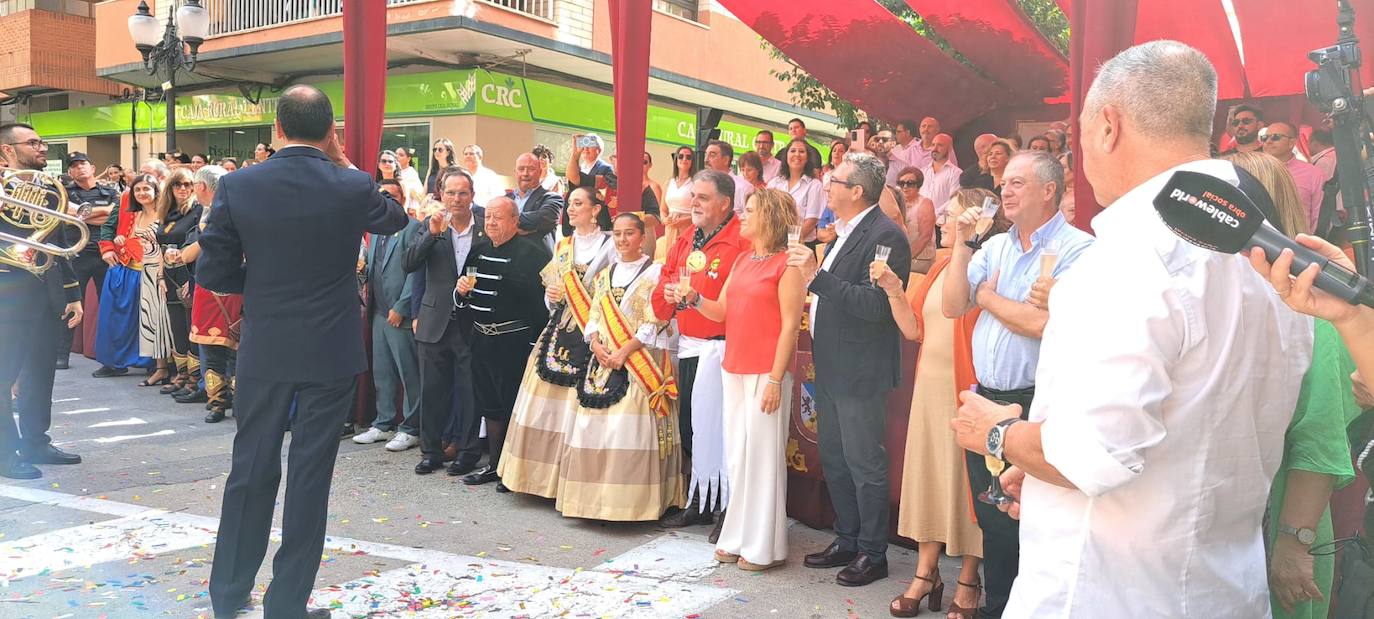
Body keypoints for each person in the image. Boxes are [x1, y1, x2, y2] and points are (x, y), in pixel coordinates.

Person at [951, 41, 1314, 618]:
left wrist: (998, 431)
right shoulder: (1272, 258)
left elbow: (1092, 457)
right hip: (1219, 587)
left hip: (1107, 589)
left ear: (1108, 126)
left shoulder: (1130, 256)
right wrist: (1041, 466)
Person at [199, 84, 407, 619]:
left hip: (266, 345)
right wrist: (344, 163)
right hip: (330, 349)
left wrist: (264, 282)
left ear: (277, 130)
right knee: (310, 477)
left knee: (250, 469)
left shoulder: (239, 184)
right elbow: (394, 220)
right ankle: (286, 605)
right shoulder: (352, 183)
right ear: (331, 131)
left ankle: (227, 597)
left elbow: (215, 272)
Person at [941, 150, 1094, 617]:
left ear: (1050, 190)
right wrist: (963, 244)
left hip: (1036, 405)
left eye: (1017, 183)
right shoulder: (995, 247)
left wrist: (986, 295)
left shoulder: (1078, 248)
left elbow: (1042, 324)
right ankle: (998, 607)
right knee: (994, 519)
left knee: (1035, 516)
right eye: (1004, 183)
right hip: (987, 398)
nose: (1004, 190)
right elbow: (952, 305)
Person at [879, 188, 1005, 618]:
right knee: (931, 476)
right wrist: (895, 290)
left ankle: (969, 577)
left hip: (968, 388)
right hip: (929, 389)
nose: (942, 222)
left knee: (967, 482)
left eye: (950, 215)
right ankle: (926, 571)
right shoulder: (937, 267)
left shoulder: (990, 266)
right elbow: (914, 330)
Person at [788, 152, 912, 587]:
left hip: (860, 371)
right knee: (836, 459)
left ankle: (873, 552)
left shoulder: (886, 236)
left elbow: (877, 306)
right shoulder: (842, 232)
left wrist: (816, 277)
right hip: (833, 366)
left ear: (857, 191)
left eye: (835, 179)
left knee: (864, 463)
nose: (827, 182)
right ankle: (847, 537)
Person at [686, 189, 802, 570]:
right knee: (738, 456)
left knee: (764, 458)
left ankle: (764, 546)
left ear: (768, 217)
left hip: (765, 371)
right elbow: (721, 312)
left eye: (750, 210)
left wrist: (774, 379)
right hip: (734, 367)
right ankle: (737, 534)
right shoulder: (741, 260)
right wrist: (693, 298)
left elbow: (790, 328)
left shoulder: (788, 266)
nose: (743, 215)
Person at [556, 212, 683, 520]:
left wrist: (626, 351)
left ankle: (630, 504)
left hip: (640, 360)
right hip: (604, 359)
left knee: (630, 429)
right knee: (595, 428)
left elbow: (659, 318)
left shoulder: (655, 272)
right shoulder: (605, 274)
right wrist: (596, 344)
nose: (623, 239)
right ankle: (592, 500)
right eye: (618, 234)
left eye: (629, 234)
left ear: (642, 238)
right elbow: (596, 313)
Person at [653, 169, 751, 538]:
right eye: (693, 196)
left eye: (703, 198)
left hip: (724, 350)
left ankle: (728, 506)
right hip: (690, 344)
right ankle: (701, 500)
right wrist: (666, 294)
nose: (693, 203)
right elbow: (667, 274)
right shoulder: (686, 237)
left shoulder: (741, 240)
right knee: (693, 428)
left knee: (725, 433)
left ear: (725, 204)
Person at [499, 186, 613, 498]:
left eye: (579, 204)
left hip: (596, 330)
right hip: (560, 329)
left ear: (595, 209)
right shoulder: (564, 245)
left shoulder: (610, 245)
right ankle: (537, 477)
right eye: (570, 204)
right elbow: (554, 290)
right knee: (544, 405)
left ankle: (575, 481)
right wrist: (551, 298)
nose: (572, 209)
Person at [0, 122, 84, 479]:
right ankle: (5, 453)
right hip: (6, 290)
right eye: (33, 143)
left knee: (40, 373)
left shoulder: (51, 188)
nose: (42, 148)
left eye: (42, 142)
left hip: (44, 289)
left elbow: (61, 241)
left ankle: (36, 440)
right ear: (7, 150)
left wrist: (73, 294)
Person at [453, 197, 552, 491]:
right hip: (481, 340)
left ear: (514, 221)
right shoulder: (479, 250)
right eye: (488, 217)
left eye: (498, 218)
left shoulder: (534, 254)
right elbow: (463, 295)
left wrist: (535, 343)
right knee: (491, 406)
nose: (491, 223)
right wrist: (460, 294)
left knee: (513, 406)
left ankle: (513, 471)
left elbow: (542, 306)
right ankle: (494, 466)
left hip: (515, 342)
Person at [404, 168, 487, 476]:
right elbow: (409, 264)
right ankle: (431, 451)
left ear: (472, 196)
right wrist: (432, 234)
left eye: (462, 193)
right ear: (441, 195)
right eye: (450, 193)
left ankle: (467, 451)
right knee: (432, 391)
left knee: (469, 391)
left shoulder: (484, 225)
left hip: (473, 321)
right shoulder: (431, 225)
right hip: (434, 318)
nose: (456, 199)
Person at [349, 180, 425, 449]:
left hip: (398, 313)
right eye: (382, 195)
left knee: (408, 373)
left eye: (392, 195)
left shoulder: (413, 227)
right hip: (378, 311)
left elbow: (416, 272)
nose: (387, 200)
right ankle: (383, 423)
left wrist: (402, 307)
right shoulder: (377, 230)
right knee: (382, 372)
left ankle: (410, 427)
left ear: (402, 198)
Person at [167, 165, 240, 423]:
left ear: (201, 187)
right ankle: (218, 402)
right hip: (213, 286)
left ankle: (229, 402)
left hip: (224, 287)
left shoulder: (224, 212)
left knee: (228, 351)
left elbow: (194, 250)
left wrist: (183, 254)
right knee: (214, 350)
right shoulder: (208, 210)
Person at [58, 152, 120, 370]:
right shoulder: (64, 193)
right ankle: (61, 355)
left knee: (110, 305)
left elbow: (114, 216)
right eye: (74, 166)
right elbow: (67, 216)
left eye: (83, 164)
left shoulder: (110, 192)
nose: (79, 168)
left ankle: (111, 359)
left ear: (93, 168)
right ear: (69, 172)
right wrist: (102, 211)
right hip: (77, 253)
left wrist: (84, 213)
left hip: (105, 253)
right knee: (72, 303)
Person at [94, 174, 153, 378]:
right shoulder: (125, 199)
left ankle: (153, 363)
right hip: (124, 265)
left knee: (150, 320)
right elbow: (108, 227)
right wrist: (108, 248)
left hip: (152, 271)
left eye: (147, 187)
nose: (142, 192)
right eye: (138, 188)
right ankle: (114, 362)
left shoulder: (165, 205)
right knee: (115, 318)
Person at [154, 168, 205, 403]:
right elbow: (162, 249)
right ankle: (182, 374)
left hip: (188, 273)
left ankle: (195, 379)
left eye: (188, 184)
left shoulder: (197, 211)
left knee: (190, 327)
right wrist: (161, 278)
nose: (183, 189)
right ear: (171, 188)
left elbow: (198, 246)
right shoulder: (168, 212)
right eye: (178, 185)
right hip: (170, 271)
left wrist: (191, 281)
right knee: (177, 329)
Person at [1261, 121, 1324, 234]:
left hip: (1299, 243)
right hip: (1260, 242)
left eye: (1276, 137)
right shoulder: (1254, 170)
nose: (1268, 141)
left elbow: (1318, 216)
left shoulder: (1312, 173)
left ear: (1292, 142)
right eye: (1265, 138)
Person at [767, 138, 825, 243]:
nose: (797, 155)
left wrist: (789, 242)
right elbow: (765, 212)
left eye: (802, 152)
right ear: (786, 156)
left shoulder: (814, 185)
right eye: (793, 151)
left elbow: (811, 221)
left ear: (807, 158)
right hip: (773, 243)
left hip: (801, 244)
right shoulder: (774, 183)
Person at [509, 152, 566, 246]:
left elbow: (543, 218)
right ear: (515, 172)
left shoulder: (552, 198)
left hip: (533, 255)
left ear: (540, 172)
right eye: (521, 169)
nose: (525, 173)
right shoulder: (506, 199)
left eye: (531, 169)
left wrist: (506, 220)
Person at [896, 167, 938, 274]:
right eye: (901, 183)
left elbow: (925, 237)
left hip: (920, 261)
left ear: (918, 186)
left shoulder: (925, 204)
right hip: (901, 259)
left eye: (910, 183)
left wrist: (905, 259)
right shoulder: (896, 203)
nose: (905, 187)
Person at [660, 146, 697, 261]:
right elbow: (663, 209)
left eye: (688, 157)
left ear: (692, 161)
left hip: (688, 225)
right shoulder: (668, 183)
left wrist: (685, 220)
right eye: (680, 156)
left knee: (685, 258)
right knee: (670, 256)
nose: (684, 159)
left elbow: (701, 211)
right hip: (670, 226)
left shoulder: (695, 183)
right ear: (676, 159)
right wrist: (664, 219)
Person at [921, 134, 963, 222]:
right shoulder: (923, 171)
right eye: (933, 145)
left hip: (941, 223)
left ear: (949, 149)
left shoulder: (956, 173)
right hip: (920, 220)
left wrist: (933, 214)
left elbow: (954, 200)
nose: (935, 148)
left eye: (940, 145)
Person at [705, 139, 751, 215]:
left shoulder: (743, 187)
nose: (706, 159)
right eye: (706, 155)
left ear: (726, 160)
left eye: (712, 155)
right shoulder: (704, 185)